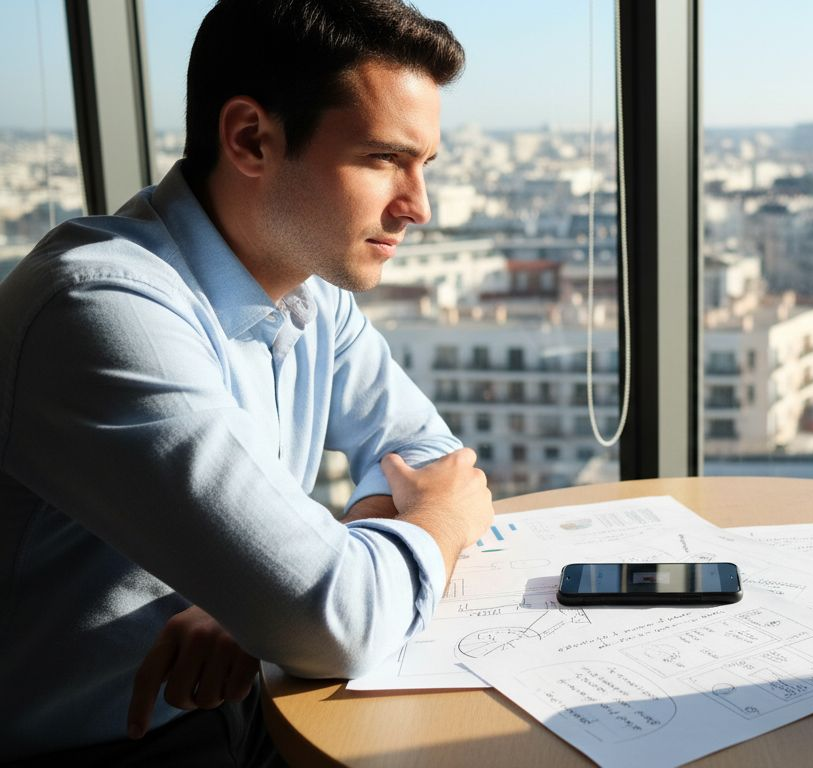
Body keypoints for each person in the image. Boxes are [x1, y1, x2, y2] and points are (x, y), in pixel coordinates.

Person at [0, 0, 493, 762]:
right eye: (381, 160)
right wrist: (431, 529)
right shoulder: (98, 310)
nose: (418, 207)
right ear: (250, 139)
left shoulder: (310, 291)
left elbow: (428, 456)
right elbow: (348, 606)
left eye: (424, 164)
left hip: (248, 706)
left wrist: (261, 600)